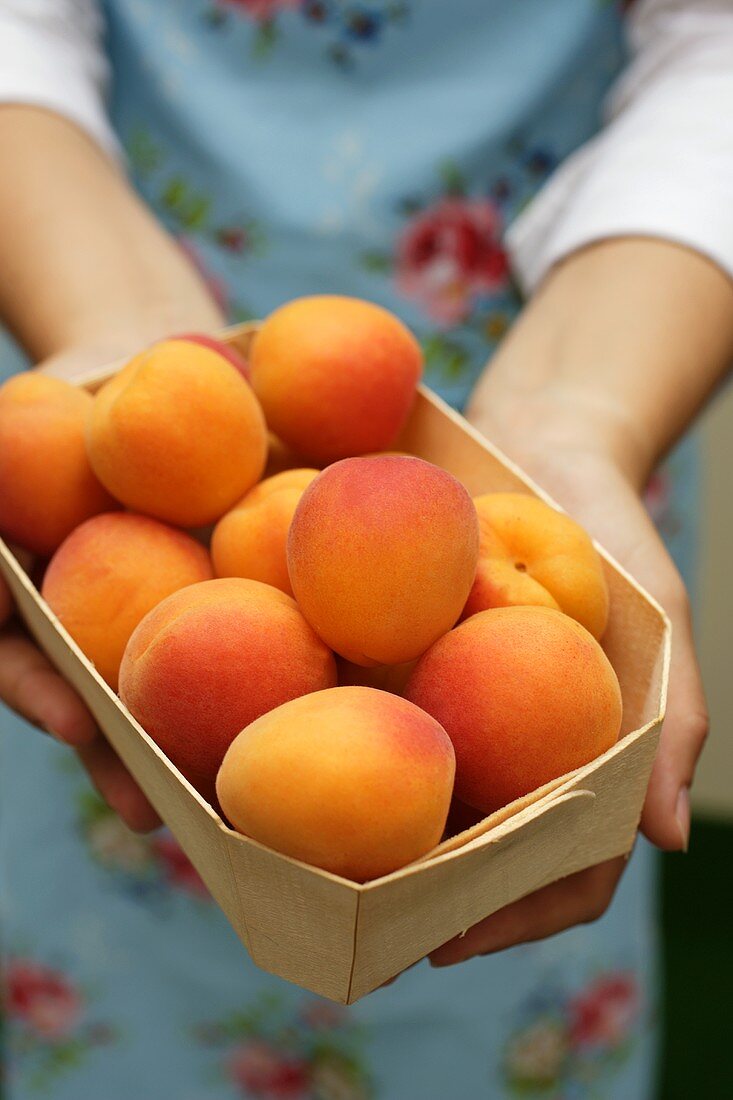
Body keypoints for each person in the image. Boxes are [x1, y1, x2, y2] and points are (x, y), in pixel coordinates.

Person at [0, 1, 731, 1096]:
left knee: (509, 892)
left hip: (570, 354)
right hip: (93, 256)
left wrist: (583, 412)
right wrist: (104, 317)